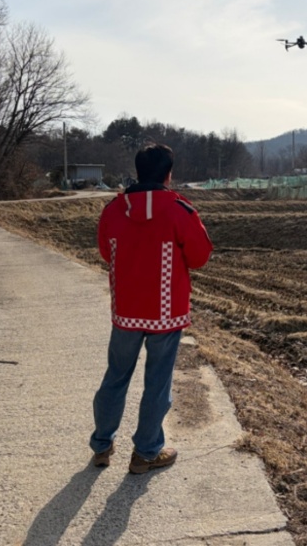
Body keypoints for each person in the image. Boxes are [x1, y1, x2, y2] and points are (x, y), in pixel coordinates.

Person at [90, 143, 213, 473]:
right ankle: (146, 452)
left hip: (126, 311)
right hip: (166, 312)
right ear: (168, 175)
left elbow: (105, 252)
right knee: (157, 382)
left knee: (115, 377)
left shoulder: (113, 210)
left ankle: (102, 445)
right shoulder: (179, 210)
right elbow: (200, 257)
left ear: (138, 170)